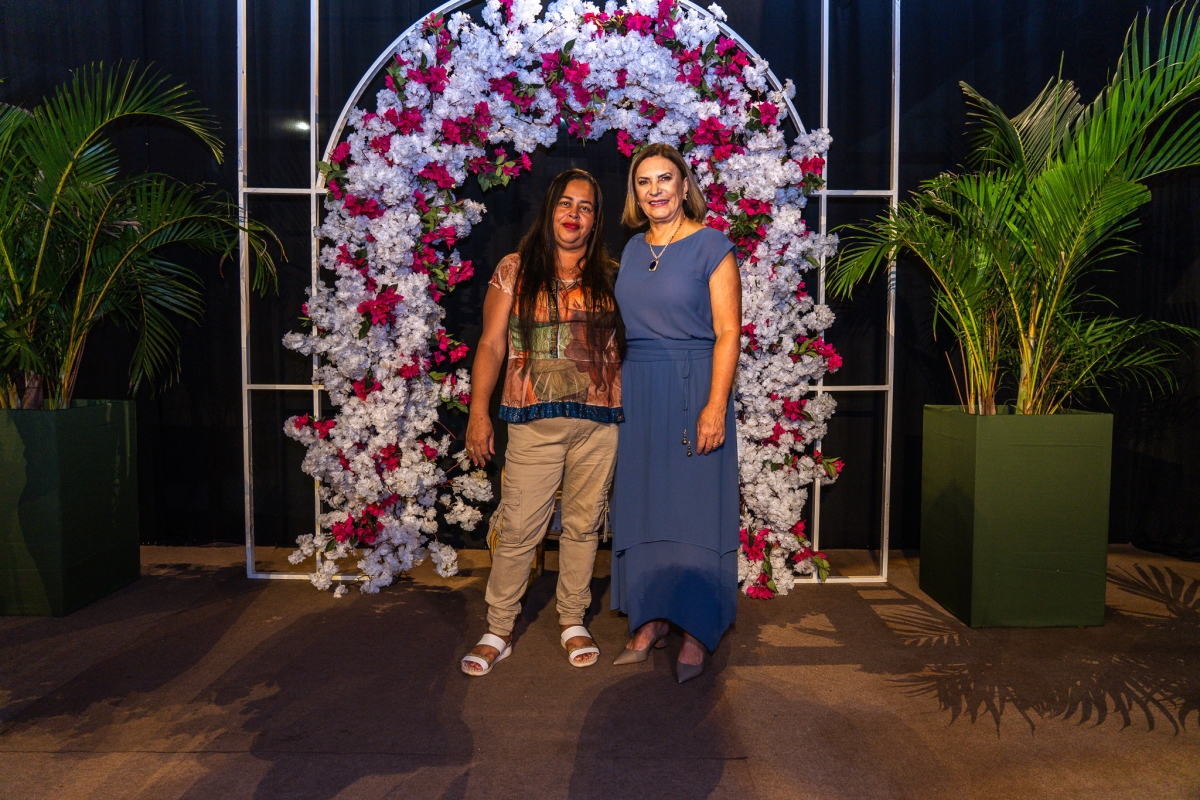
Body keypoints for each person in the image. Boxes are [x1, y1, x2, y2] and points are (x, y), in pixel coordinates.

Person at [460, 169, 624, 677]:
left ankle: (572, 618)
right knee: (518, 528)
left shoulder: (614, 274)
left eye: (586, 207)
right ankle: (499, 628)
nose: (574, 214)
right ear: (550, 209)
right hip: (533, 421)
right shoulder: (515, 268)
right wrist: (478, 412)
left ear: (596, 219)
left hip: (600, 423)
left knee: (583, 526)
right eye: (566, 203)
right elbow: (491, 344)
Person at [610, 144, 741, 684]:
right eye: (644, 182)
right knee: (643, 505)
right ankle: (650, 619)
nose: (656, 190)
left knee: (693, 510)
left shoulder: (712, 245)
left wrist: (715, 406)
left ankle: (695, 628)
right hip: (639, 390)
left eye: (665, 179)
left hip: (694, 387)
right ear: (635, 193)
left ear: (685, 186)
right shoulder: (632, 248)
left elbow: (728, 332)